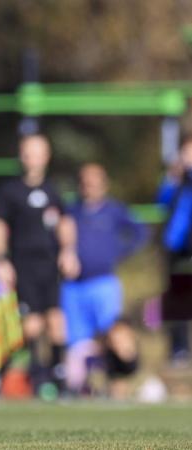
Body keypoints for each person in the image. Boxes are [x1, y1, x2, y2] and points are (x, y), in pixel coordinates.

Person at [0, 134, 79, 395]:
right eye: (29, 153)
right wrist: (1, 261)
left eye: (38, 153)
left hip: (49, 265)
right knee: (31, 325)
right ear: (22, 156)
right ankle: (34, 375)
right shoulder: (10, 192)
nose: (33, 158)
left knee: (56, 321)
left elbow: (65, 223)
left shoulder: (54, 190)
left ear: (47, 156)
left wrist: (69, 251)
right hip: (24, 265)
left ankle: (58, 375)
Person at [61, 164, 146, 396]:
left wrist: (117, 250)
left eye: (94, 182)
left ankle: (118, 383)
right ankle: (82, 388)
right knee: (78, 343)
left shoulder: (114, 210)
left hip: (104, 283)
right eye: (85, 182)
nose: (89, 186)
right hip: (74, 286)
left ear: (103, 184)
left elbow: (139, 232)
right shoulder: (71, 211)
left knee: (114, 336)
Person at [157, 138, 192, 366]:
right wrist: (174, 175)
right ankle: (179, 350)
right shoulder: (176, 183)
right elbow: (161, 200)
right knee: (179, 301)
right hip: (180, 249)